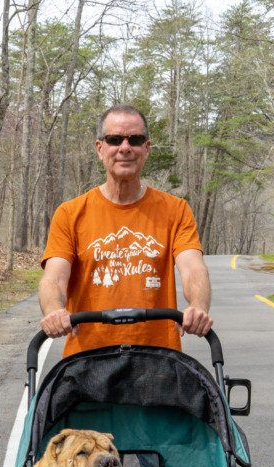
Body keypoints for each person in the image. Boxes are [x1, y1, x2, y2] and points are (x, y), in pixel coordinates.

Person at [38, 104, 213, 356]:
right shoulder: (70, 213)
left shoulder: (176, 210)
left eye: (136, 139)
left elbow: (193, 268)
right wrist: (54, 309)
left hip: (158, 359)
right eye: (114, 139)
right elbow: (54, 277)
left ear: (146, 149)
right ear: (100, 148)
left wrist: (198, 306)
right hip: (88, 360)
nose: (125, 147)